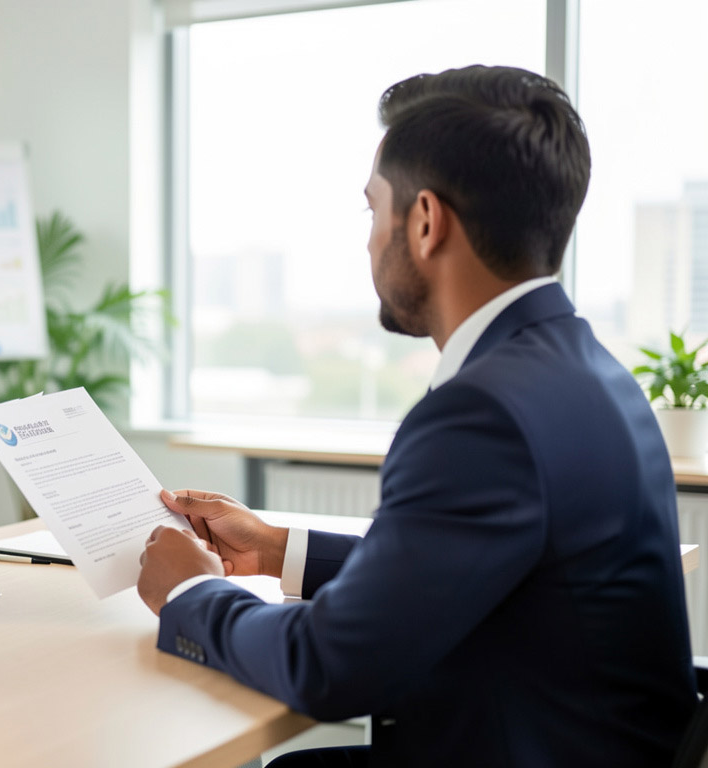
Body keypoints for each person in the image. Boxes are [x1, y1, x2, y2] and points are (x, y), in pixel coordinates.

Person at [136, 66, 697, 766]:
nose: (370, 240)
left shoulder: (482, 414)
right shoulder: (587, 369)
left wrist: (191, 593)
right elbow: (455, 564)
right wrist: (277, 548)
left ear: (426, 222)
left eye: (373, 210)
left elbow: (328, 668)